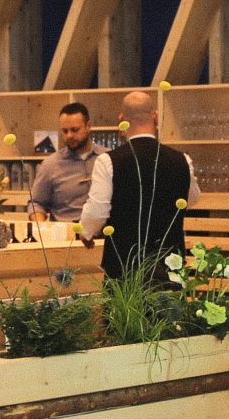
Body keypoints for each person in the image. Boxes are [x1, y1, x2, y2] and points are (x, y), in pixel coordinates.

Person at [78, 90, 189, 282]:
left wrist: (86, 232)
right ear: (155, 116)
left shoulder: (108, 161)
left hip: (124, 265)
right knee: (168, 312)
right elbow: (191, 197)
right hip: (169, 264)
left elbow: (97, 211)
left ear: (122, 119)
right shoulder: (182, 159)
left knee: (121, 313)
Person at [25, 103, 101, 226]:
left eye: (75, 130)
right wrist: (42, 227)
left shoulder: (107, 158)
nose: (69, 135)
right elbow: (36, 203)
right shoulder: (50, 165)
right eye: (65, 131)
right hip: (65, 233)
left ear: (88, 126)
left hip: (104, 233)